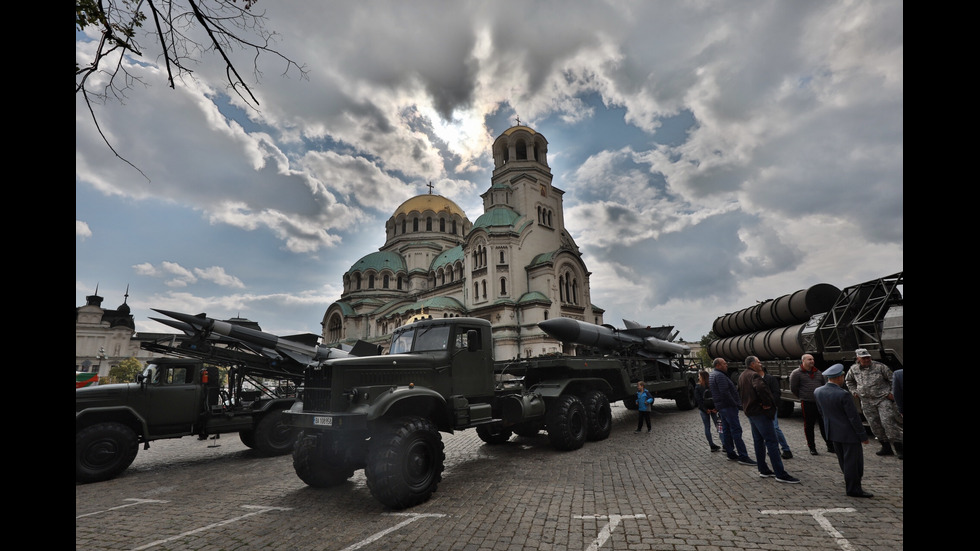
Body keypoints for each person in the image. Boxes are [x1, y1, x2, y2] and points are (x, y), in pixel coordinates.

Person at [738, 356, 800, 483]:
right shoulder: (755, 376)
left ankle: (763, 469)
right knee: (771, 442)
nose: (761, 364)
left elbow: (740, 392)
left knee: (758, 441)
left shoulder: (742, 375)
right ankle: (780, 473)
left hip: (751, 412)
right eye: (759, 362)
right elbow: (761, 388)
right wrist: (767, 403)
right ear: (753, 364)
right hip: (761, 413)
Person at [814, 363, 872, 498]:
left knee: (843, 461)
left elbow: (821, 412)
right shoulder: (843, 394)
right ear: (839, 377)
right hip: (849, 434)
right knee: (853, 463)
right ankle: (854, 489)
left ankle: (850, 484)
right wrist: (862, 435)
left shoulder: (818, 391)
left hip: (833, 432)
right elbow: (853, 417)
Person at [845, 348, 903, 460]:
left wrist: (891, 393)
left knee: (888, 422)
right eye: (864, 358)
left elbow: (893, 380)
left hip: (882, 399)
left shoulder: (880, 367)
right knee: (874, 424)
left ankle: (899, 448)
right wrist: (854, 391)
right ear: (858, 358)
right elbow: (849, 381)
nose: (867, 359)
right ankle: (886, 447)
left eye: (868, 357)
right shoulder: (854, 369)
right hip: (866, 401)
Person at [708, 358, 756, 466]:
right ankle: (743, 456)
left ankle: (730, 453)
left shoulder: (713, 374)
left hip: (722, 407)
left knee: (727, 430)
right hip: (728, 407)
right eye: (724, 364)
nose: (726, 365)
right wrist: (736, 404)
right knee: (736, 430)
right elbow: (725, 392)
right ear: (718, 365)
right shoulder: (720, 376)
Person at [790, 353, 833, 455]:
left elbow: (824, 386)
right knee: (809, 426)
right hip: (807, 403)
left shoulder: (818, 373)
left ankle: (830, 445)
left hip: (820, 403)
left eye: (812, 359)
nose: (812, 361)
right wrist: (803, 397)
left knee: (824, 424)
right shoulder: (796, 373)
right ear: (803, 361)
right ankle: (812, 447)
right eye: (809, 359)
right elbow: (793, 388)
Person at [762, 365, 792, 459]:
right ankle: (773, 449)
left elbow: (776, 393)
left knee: (775, 428)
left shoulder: (770, 379)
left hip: (771, 407)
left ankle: (786, 449)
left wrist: (770, 404)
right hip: (760, 408)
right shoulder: (754, 379)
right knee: (765, 429)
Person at [694, 370, 721, 452]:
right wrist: (715, 408)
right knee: (719, 426)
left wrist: (705, 410)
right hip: (713, 408)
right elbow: (716, 397)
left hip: (704, 410)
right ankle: (724, 443)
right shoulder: (711, 385)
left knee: (707, 427)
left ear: (701, 377)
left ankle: (711, 445)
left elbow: (698, 400)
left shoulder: (698, 387)